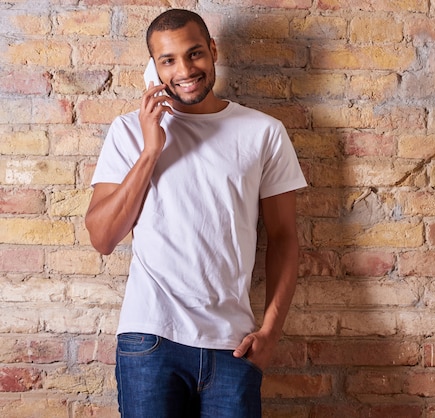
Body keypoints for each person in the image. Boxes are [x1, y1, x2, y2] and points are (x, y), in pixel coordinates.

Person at [85, 9, 307, 417]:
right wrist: (152, 149)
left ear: (213, 51)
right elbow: (102, 237)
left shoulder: (263, 131)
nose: (185, 69)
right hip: (151, 339)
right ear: (154, 68)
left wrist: (271, 333)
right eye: (168, 60)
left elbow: (284, 237)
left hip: (233, 345)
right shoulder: (129, 132)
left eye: (194, 54)